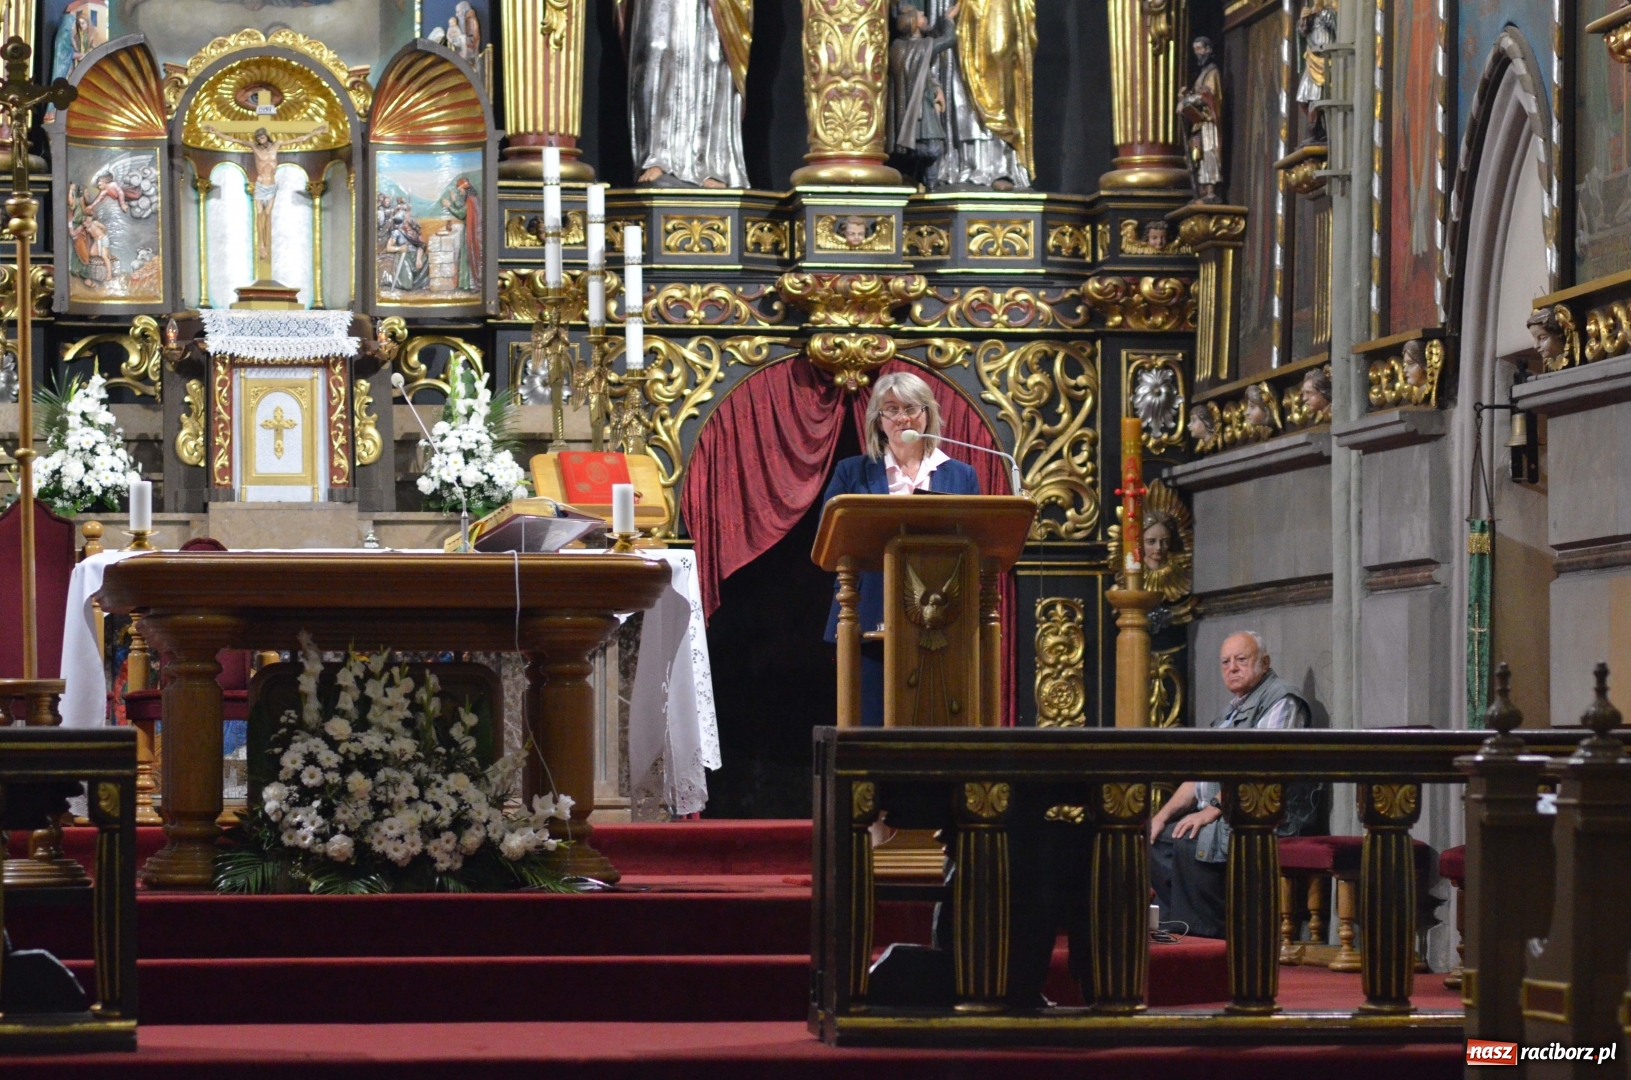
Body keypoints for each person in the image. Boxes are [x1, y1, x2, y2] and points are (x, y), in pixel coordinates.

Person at [821, 370, 980, 727]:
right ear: (878, 420)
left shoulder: (961, 475)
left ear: (927, 415)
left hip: (944, 617)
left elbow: (975, 544)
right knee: (871, 719)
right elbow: (828, 535)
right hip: (866, 611)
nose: (902, 418)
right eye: (890, 409)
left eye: (911, 408)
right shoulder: (854, 472)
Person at [1147, 631, 1316, 938]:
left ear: (1264, 663)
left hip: (1261, 819)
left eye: (1241, 660)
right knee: (1155, 841)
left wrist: (1211, 810)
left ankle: (1212, 933)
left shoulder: (1282, 700)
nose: (1232, 668)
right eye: (1225, 662)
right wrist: (1160, 816)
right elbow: (1199, 779)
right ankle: (1181, 925)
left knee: (1191, 840)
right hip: (1223, 814)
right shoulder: (1232, 710)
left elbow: (1261, 769)